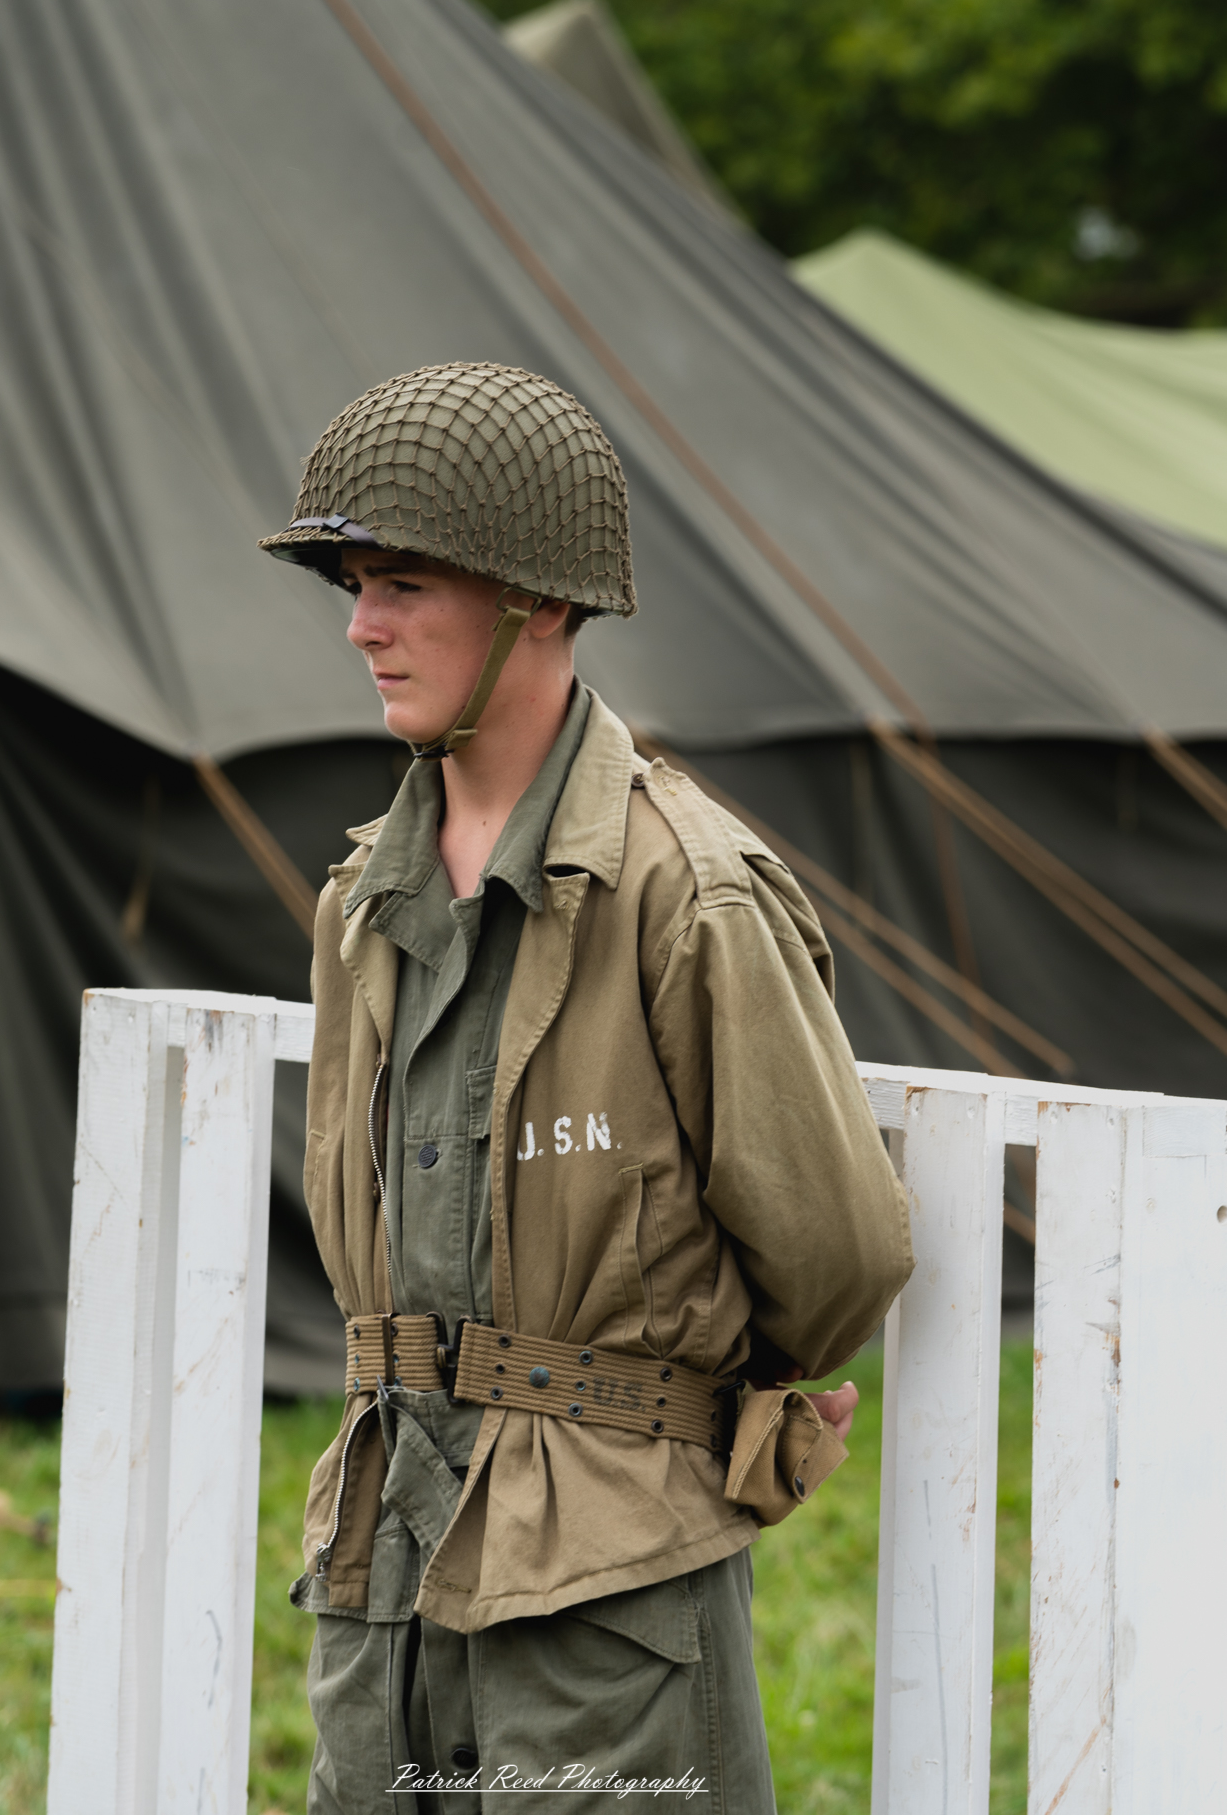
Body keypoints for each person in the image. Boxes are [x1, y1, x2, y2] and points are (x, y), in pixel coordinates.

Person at [259, 362, 914, 1815]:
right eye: (354, 584)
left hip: (600, 1571)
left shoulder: (686, 892)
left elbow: (837, 1251)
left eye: (404, 582)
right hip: (390, 1550)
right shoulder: (363, 897)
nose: (362, 625)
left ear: (538, 603)